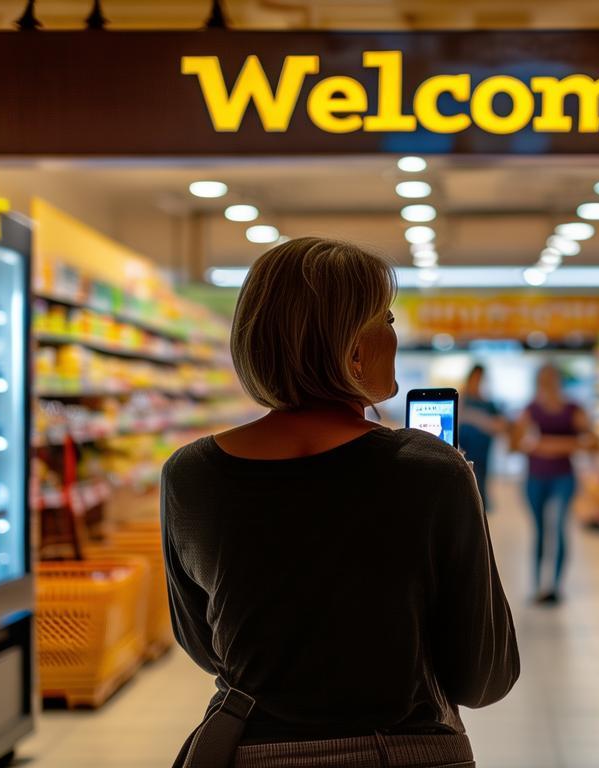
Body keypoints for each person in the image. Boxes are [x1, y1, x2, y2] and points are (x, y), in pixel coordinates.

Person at [161, 237, 519, 768]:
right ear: (352, 349)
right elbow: (484, 675)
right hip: (403, 751)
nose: (397, 336)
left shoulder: (188, 475)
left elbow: (203, 644)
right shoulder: (431, 469)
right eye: (389, 320)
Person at [510, 364, 593, 606]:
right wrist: (563, 444)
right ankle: (537, 586)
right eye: (543, 379)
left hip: (563, 477)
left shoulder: (574, 409)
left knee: (557, 526)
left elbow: (590, 441)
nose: (547, 383)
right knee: (538, 530)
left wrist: (545, 445)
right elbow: (515, 444)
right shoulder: (530, 410)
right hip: (535, 477)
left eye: (551, 378)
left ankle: (555, 586)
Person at [457, 365, 506, 511]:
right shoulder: (462, 398)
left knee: (481, 489)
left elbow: (500, 426)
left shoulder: (488, 403)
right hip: (466, 452)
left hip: (483, 454)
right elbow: (460, 418)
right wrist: (486, 423)